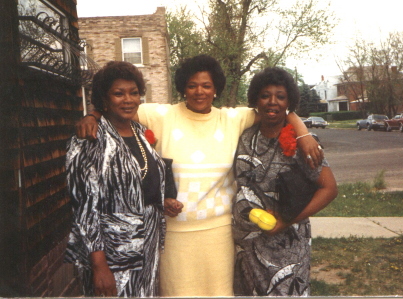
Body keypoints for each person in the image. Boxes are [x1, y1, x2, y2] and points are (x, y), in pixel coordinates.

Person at [76, 55, 324, 297]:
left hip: (218, 234)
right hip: (174, 236)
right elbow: (119, 107)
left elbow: (275, 108)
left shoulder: (232, 119)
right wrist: (92, 115)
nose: (199, 92)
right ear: (183, 88)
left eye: (206, 85)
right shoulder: (161, 115)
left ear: (216, 89)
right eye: (192, 85)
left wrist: (302, 133)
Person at [65, 61, 182, 297]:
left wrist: (159, 200)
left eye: (134, 92)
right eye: (118, 93)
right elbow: (84, 208)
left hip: (147, 243)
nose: (128, 99)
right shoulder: (90, 139)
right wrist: (99, 266)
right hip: (112, 252)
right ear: (105, 99)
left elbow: (140, 176)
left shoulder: (139, 132)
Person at [232, 67, 338, 296]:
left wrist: (287, 221)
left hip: (286, 248)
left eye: (280, 96)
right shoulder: (244, 136)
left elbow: (329, 189)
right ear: (255, 100)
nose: (272, 102)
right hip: (246, 249)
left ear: (288, 101)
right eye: (265, 95)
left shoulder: (304, 143)